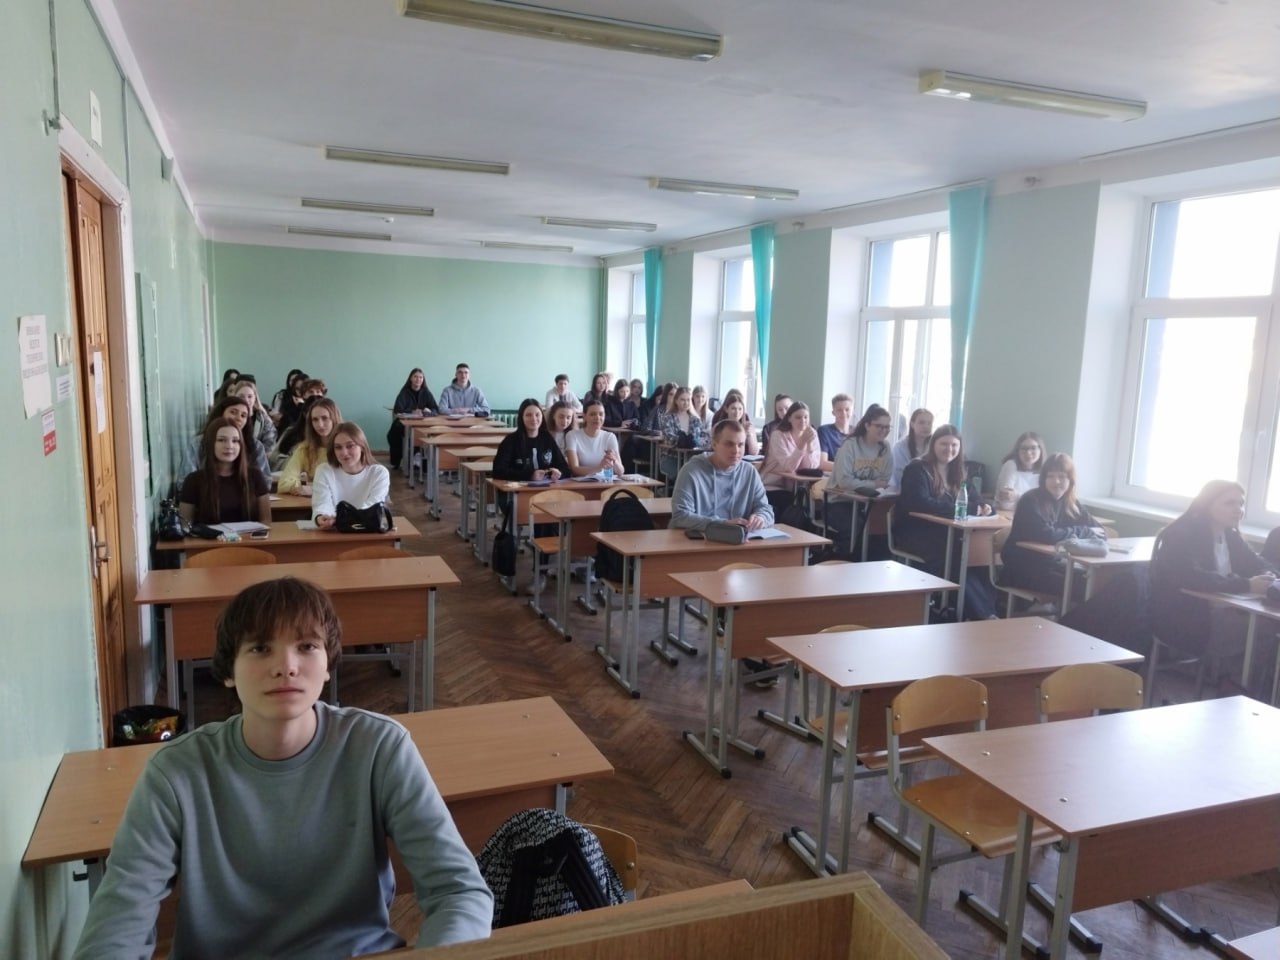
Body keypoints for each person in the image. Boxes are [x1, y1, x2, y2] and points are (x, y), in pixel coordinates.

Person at [72, 578, 493, 959]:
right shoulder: (176, 773)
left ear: (328, 663)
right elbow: (118, 921)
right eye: (260, 648)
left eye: (307, 646)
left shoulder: (379, 747)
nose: (286, 666)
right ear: (227, 671)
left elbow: (458, 890)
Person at [1149, 480, 1276, 683]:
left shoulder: (1230, 535)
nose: (1238, 509)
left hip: (1224, 611)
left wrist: (1269, 574)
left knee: (1267, 627)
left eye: (1241, 504)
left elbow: (1257, 562)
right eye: (1229, 503)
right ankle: (1237, 686)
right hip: (1188, 619)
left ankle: (1236, 684)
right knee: (1267, 630)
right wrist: (1247, 585)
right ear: (1207, 504)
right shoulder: (1180, 535)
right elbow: (1192, 577)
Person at [894, 425, 998, 620]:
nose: (949, 449)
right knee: (955, 556)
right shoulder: (917, 469)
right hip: (916, 533)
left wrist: (987, 508)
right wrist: (966, 508)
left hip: (949, 534)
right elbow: (920, 503)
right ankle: (980, 615)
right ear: (934, 444)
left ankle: (984, 612)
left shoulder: (960, 471)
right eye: (944, 444)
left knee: (978, 557)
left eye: (954, 445)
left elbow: (976, 500)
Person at [1001, 453, 1106, 598]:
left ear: (1070, 480)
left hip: (1052, 564)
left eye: (1062, 476)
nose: (1056, 481)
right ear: (1043, 479)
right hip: (1023, 568)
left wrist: (1085, 532)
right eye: (1050, 476)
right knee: (1084, 587)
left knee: (1097, 582)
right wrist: (1085, 531)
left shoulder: (1070, 503)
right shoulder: (1030, 500)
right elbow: (1048, 536)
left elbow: (1100, 532)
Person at [671, 419, 773, 532]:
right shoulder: (691, 471)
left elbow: (766, 510)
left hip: (739, 539)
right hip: (699, 539)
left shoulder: (749, 472)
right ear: (714, 444)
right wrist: (722, 524)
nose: (736, 450)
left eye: (741, 445)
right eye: (729, 444)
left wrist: (761, 517)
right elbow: (680, 516)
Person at [178, 417, 271, 525]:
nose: (229, 446)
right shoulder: (193, 480)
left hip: (249, 536)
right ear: (210, 443)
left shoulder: (255, 476)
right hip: (208, 536)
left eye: (235, 441)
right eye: (221, 440)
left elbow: (266, 521)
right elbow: (185, 524)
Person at [827, 404, 894, 543]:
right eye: (879, 426)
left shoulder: (885, 447)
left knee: (885, 526)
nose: (884, 431)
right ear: (867, 425)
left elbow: (885, 480)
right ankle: (845, 554)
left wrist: (867, 485)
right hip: (840, 503)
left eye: (887, 427)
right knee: (859, 526)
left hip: (869, 502)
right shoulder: (850, 445)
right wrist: (874, 484)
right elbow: (844, 481)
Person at [312, 423, 391, 529]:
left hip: (366, 530)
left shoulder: (379, 473)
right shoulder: (324, 471)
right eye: (338, 447)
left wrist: (343, 519)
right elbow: (322, 503)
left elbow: (372, 508)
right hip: (334, 531)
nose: (344, 453)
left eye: (350, 446)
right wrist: (321, 517)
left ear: (362, 447)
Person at [180, 396, 271, 479]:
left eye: (243, 416)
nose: (238, 418)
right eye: (233, 412)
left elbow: (265, 481)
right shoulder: (198, 443)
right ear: (221, 413)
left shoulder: (256, 446)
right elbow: (184, 481)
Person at [760, 400, 820, 517]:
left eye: (806, 417)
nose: (803, 421)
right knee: (793, 505)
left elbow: (811, 467)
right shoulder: (778, 435)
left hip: (797, 487)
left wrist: (809, 446)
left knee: (812, 505)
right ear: (789, 418)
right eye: (798, 417)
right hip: (774, 485)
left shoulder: (811, 433)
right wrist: (801, 444)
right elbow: (789, 467)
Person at [492, 398, 570, 481]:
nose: (534, 418)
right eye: (528, 415)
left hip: (547, 487)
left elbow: (565, 469)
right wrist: (529, 476)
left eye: (537, 415)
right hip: (520, 487)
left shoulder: (547, 438)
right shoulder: (511, 440)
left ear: (542, 416)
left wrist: (559, 474)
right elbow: (498, 471)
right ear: (521, 417)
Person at [277, 398, 342, 495]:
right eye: (315, 420)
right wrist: (302, 488)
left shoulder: (346, 448)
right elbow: (284, 483)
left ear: (334, 418)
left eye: (325, 418)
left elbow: (348, 485)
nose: (320, 425)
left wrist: (314, 489)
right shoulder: (305, 448)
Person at [388, 368, 438, 470]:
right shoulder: (404, 392)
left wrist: (427, 411)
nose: (418, 379)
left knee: (425, 434)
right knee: (393, 433)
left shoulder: (426, 393)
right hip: (404, 423)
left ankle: (419, 458)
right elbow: (398, 409)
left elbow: (436, 409)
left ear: (423, 379)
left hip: (423, 423)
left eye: (420, 377)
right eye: (415, 377)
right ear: (410, 378)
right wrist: (412, 411)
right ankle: (398, 460)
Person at [657, 386, 709, 480]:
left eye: (688, 400)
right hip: (672, 457)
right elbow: (669, 437)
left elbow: (704, 437)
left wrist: (695, 441)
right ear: (676, 401)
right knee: (687, 473)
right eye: (682, 400)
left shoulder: (695, 419)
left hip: (692, 457)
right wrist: (684, 440)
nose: (686, 403)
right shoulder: (668, 417)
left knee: (701, 471)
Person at [566, 400, 624, 476]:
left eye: (601, 414)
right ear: (584, 416)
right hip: (582, 481)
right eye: (592, 414)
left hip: (604, 480)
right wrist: (599, 468)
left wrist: (615, 461)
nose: (597, 417)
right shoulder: (572, 435)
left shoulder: (610, 437)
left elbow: (621, 471)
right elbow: (574, 469)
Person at [995, 431, 1046, 509]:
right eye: (1024, 448)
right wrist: (1035, 501)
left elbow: (1046, 503)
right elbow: (1006, 504)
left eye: (1033, 448)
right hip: (1008, 514)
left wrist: (1017, 496)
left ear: (1040, 450)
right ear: (1018, 451)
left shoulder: (1045, 471)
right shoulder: (1010, 465)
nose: (1028, 452)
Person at [888, 407, 933, 492]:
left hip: (931, 491)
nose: (926, 426)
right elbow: (899, 476)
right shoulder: (900, 447)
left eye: (929, 423)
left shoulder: (935, 446)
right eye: (921, 423)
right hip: (907, 490)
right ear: (912, 424)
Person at [230, 378, 277, 454]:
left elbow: (270, 444)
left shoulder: (264, 419)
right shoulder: (229, 416)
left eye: (250, 396)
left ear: (255, 398)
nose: (246, 400)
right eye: (241, 396)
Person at [710, 389, 759, 456]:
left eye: (740, 409)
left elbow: (754, 453)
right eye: (733, 408)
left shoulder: (747, 423)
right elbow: (715, 448)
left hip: (744, 459)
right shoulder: (719, 425)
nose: (737, 412)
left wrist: (749, 435)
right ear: (726, 409)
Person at [817, 393, 855, 462]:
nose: (843, 413)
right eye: (839, 410)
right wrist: (847, 467)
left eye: (847, 409)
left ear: (852, 411)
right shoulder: (824, 431)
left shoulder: (857, 432)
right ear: (833, 412)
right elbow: (823, 463)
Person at [760, 393, 794, 457]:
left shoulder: (803, 426)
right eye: (780, 410)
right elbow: (767, 452)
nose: (784, 412)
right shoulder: (768, 429)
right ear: (776, 411)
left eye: (787, 408)